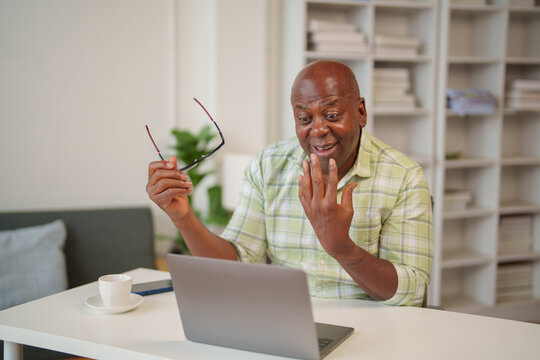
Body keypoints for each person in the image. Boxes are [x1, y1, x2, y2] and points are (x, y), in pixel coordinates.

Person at [147, 60, 433, 306]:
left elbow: (412, 291)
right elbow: (236, 262)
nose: (318, 129)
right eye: (305, 118)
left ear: (360, 112)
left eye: (332, 115)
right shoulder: (268, 165)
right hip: (285, 323)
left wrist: (342, 248)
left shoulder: (404, 177)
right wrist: (183, 217)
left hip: (373, 332)